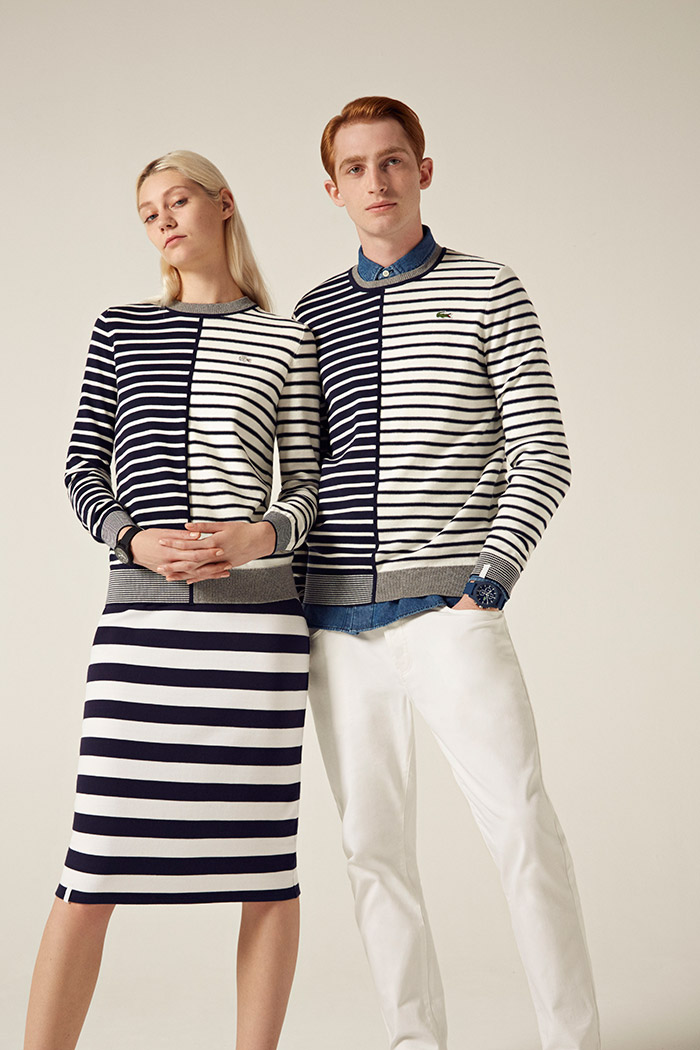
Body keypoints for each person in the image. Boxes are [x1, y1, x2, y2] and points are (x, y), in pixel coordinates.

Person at [293, 97, 601, 1050]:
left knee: (521, 827)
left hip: (450, 611)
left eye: (392, 161)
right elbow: (302, 474)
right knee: (371, 852)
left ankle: (572, 1041)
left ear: (423, 171)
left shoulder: (489, 287)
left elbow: (541, 450)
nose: (376, 181)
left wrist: (489, 582)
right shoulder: (310, 314)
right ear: (333, 189)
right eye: (355, 168)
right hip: (336, 627)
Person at [24, 150, 320, 1050]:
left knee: (265, 871)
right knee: (92, 869)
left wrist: (258, 536)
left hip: (258, 638)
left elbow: (310, 488)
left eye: (178, 200)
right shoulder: (120, 329)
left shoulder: (285, 338)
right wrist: (132, 538)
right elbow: (81, 469)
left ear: (223, 205)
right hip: (142, 631)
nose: (163, 220)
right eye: (148, 210)